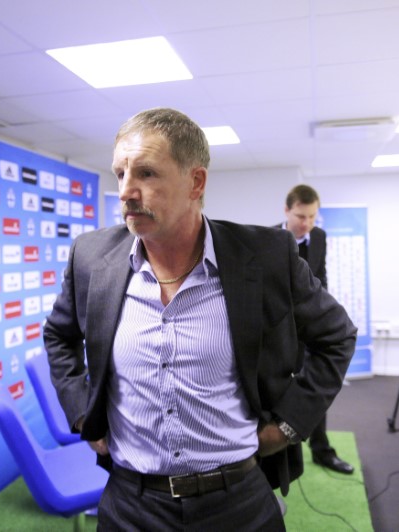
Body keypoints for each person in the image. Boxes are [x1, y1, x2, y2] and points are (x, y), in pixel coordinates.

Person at [43, 107, 357, 531]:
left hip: (238, 502)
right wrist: (83, 414)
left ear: (196, 182)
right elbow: (59, 336)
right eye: (120, 173)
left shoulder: (266, 256)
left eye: (147, 173)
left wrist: (286, 426)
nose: (126, 191)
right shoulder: (91, 257)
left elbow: (336, 337)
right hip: (130, 504)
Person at [276, 184, 354, 475]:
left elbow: (320, 279)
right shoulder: (270, 239)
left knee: (315, 388)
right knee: (278, 387)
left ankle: (321, 451)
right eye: (299, 216)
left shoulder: (319, 237)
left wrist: (326, 316)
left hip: (312, 328)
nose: (305, 223)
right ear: (286, 211)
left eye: (311, 217)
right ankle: (276, 454)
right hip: (281, 330)